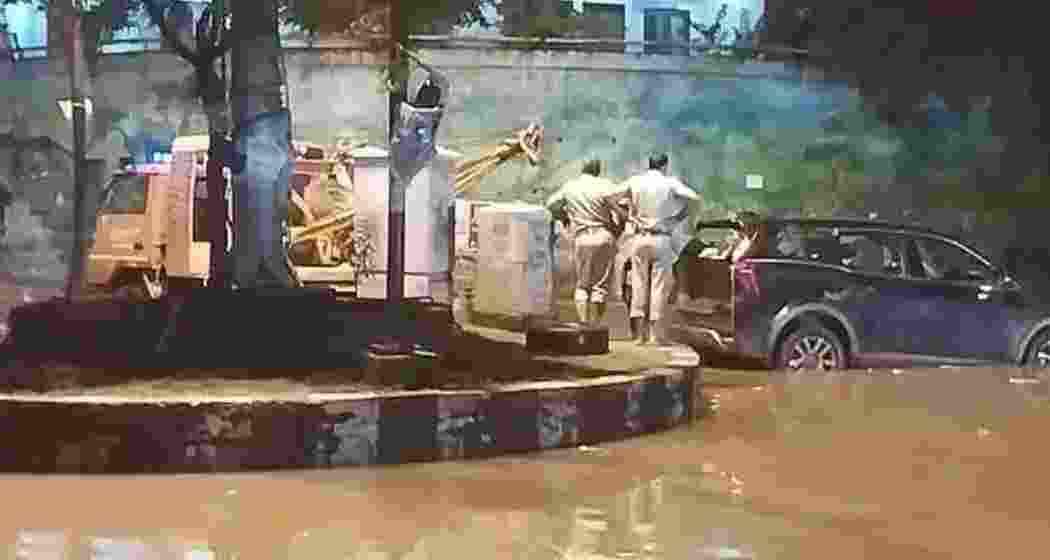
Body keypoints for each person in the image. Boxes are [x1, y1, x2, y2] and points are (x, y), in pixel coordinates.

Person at [614, 153, 701, 345]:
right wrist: (678, 217)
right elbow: (694, 198)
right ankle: (655, 336)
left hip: (639, 237)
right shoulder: (669, 183)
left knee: (639, 283)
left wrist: (629, 216)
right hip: (661, 238)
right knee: (659, 287)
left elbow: (610, 196)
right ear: (665, 165)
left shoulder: (636, 181)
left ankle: (639, 335)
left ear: (649, 164)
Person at [546, 159, 625, 326]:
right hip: (603, 236)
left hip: (581, 238)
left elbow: (550, 204)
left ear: (583, 169)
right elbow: (622, 206)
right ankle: (595, 325)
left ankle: (583, 322)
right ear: (598, 170)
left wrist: (564, 216)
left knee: (582, 285)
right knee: (600, 286)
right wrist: (618, 229)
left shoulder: (570, 186)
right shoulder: (605, 185)